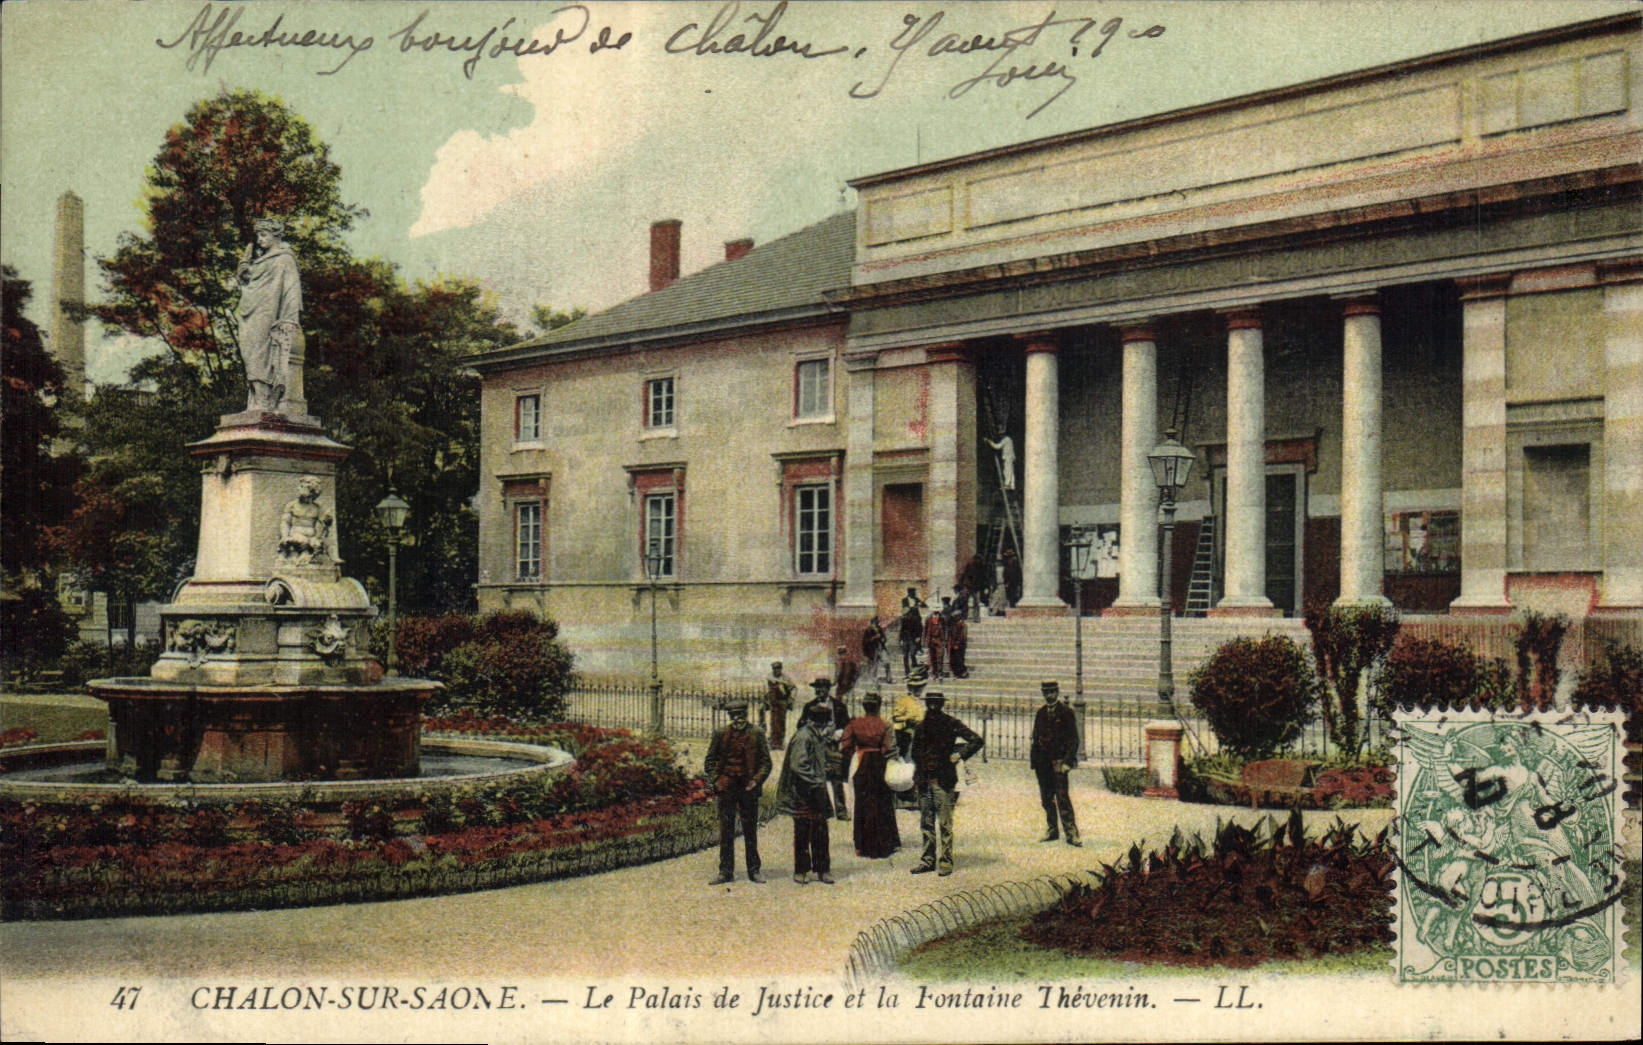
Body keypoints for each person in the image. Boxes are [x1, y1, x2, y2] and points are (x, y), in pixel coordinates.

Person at [909, 690, 983, 876]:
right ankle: (927, 860)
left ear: (942, 704)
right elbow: (914, 753)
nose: (933, 706)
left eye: (936, 703)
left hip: (944, 781)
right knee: (926, 823)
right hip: (925, 780)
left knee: (944, 824)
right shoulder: (921, 726)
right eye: (930, 703)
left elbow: (976, 740)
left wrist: (959, 754)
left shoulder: (951, 724)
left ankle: (946, 861)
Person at [703, 699, 773, 885]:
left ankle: (754, 870)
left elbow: (766, 763)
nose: (738, 719)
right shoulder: (721, 734)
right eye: (734, 716)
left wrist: (756, 781)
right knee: (726, 830)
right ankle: (725, 871)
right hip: (727, 788)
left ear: (746, 715)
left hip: (747, 788)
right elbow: (709, 761)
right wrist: (716, 781)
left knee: (750, 830)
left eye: (741, 715)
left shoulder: (757, 734)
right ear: (730, 717)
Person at [236, 217, 302, 414]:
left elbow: (291, 290)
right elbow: (248, 282)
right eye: (258, 235)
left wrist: (289, 318)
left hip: (270, 314)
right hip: (252, 313)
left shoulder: (285, 259)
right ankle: (256, 400)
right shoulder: (260, 261)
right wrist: (244, 271)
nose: (259, 240)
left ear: (276, 236)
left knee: (261, 353)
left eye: (264, 235)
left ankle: (265, 399)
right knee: (248, 351)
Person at [775, 702, 836, 884]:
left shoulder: (815, 736)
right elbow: (798, 765)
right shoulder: (803, 737)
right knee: (803, 832)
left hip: (815, 791)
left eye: (822, 723)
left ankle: (822, 870)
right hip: (803, 792)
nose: (821, 727)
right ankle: (800, 870)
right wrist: (816, 779)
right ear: (809, 721)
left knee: (820, 830)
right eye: (817, 723)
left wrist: (825, 768)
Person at [840, 693, 900, 858]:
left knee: (862, 803)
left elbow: (845, 746)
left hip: (861, 763)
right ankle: (885, 844)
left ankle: (862, 845)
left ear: (864, 707)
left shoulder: (854, 724)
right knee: (882, 803)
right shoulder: (884, 724)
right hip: (879, 764)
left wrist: (856, 753)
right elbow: (890, 748)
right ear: (879, 706)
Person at [1029, 680, 1081, 846]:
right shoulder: (1041, 713)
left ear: (1057, 692)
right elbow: (1036, 737)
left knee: (1062, 798)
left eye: (1052, 692)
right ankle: (1052, 830)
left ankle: (1071, 833)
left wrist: (1067, 762)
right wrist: (1035, 762)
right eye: (1046, 692)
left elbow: (1073, 739)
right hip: (1042, 764)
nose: (1049, 695)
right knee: (1046, 799)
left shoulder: (1066, 712)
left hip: (1059, 762)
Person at [802, 677, 851, 820]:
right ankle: (825, 809)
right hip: (816, 746)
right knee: (818, 777)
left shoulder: (839, 706)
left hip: (832, 746)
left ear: (828, 689)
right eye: (817, 688)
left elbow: (847, 725)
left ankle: (841, 810)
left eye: (822, 687)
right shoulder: (808, 706)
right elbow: (800, 724)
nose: (819, 690)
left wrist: (839, 732)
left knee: (836, 778)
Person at [277, 475, 333, 566]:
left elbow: (322, 525)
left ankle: (311, 559)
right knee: (303, 541)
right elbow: (285, 522)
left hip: (312, 537)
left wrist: (326, 524)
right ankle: (302, 558)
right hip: (295, 536)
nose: (299, 489)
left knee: (318, 545)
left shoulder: (317, 508)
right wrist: (285, 536)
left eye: (302, 487)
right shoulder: (292, 505)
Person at [763, 661, 795, 749]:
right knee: (773, 722)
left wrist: (791, 699)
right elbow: (766, 690)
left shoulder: (785, 678)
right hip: (773, 702)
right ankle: (773, 742)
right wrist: (766, 700)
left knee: (781, 722)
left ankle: (780, 742)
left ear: (781, 669)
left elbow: (793, 688)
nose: (776, 670)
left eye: (778, 668)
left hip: (782, 702)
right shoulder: (769, 677)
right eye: (774, 669)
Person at [898, 601, 923, 676]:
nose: (906, 615)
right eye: (905, 614)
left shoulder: (915, 620)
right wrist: (901, 640)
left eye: (907, 614)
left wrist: (919, 637)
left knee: (912, 654)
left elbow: (920, 629)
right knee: (905, 655)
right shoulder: (904, 620)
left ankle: (914, 666)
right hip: (905, 639)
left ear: (910, 613)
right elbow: (902, 630)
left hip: (913, 639)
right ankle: (907, 671)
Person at [861, 616, 889, 683]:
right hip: (872, 650)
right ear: (871, 624)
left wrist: (882, 639)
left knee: (887, 662)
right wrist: (874, 638)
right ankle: (873, 679)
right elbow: (865, 641)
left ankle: (889, 678)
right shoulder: (868, 631)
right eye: (874, 624)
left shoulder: (880, 629)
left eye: (877, 624)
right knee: (874, 665)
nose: (875, 626)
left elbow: (884, 639)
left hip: (881, 648)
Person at [922, 605, 947, 679]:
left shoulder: (942, 618)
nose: (936, 612)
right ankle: (934, 672)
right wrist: (924, 640)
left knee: (940, 656)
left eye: (937, 610)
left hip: (939, 639)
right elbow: (925, 630)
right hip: (931, 639)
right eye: (935, 610)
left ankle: (940, 672)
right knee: (932, 657)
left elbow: (945, 629)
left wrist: (945, 639)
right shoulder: (928, 618)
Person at [947, 612, 969, 679]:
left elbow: (962, 636)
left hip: (959, 645)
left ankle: (960, 673)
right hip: (953, 644)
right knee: (953, 659)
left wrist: (957, 644)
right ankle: (956, 673)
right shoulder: (954, 624)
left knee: (959, 659)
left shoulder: (962, 624)